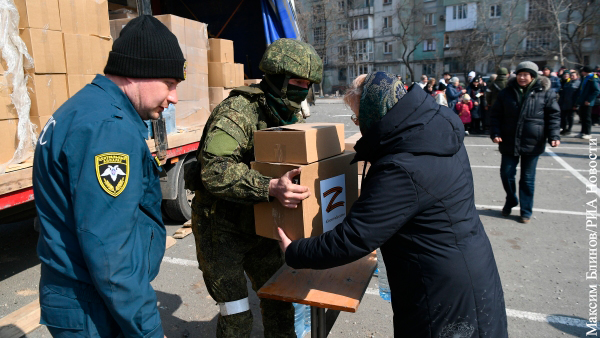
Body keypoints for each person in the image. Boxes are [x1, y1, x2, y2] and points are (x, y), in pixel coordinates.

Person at [277, 72, 508, 337]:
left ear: (376, 113)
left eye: (358, 117)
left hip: (441, 292)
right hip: (466, 264)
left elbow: (353, 239)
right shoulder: (432, 129)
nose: (358, 123)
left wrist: (296, 251)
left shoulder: (403, 165)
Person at [32, 16, 185, 337]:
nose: (174, 98)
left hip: (83, 298)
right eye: (170, 84)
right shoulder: (109, 129)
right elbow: (111, 252)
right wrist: (149, 330)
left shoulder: (84, 108)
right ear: (140, 72)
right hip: (92, 307)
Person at [184, 38, 322, 338]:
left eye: (309, 83)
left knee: (279, 303)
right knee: (237, 318)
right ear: (277, 77)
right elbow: (214, 171)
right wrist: (271, 186)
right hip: (220, 229)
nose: (304, 89)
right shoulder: (237, 112)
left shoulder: (288, 114)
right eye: (298, 81)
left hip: (261, 227)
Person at [490, 61, 561, 223]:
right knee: (506, 174)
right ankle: (511, 199)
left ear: (533, 76)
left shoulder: (545, 93)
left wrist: (554, 136)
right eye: (520, 74)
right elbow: (495, 116)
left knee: (528, 179)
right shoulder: (506, 93)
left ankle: (526, 211)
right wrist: (495, 132)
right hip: (509, 139)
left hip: (533, 141)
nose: (522, 78)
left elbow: (553, 116)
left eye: (526, 75)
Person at [573, 65, 600, 139]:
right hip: (582, 100)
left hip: (588, 101)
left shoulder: (593, 78)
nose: (581, 72)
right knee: (583, 117)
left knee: (587, 118)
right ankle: (582, 132)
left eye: (582, 71)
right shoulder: (585, 78)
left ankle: (588, 133)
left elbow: (596, 90)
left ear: (585, 71)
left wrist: (589, 100)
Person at [558, 69, 580, 135]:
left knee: (570, 117)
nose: (572, 77)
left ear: (577, 76)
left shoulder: (578, 83)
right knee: (563, 117)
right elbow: (563, 94)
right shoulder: (568, 83)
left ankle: (569, 129)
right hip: (564, 103)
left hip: (572, 103)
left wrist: (576, 104)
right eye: (571, 75)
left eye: (573, 75)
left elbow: (578, 95)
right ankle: (564, 128)